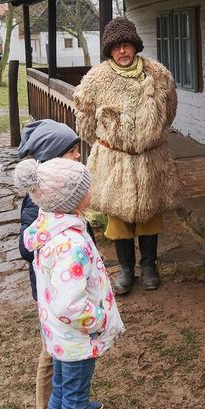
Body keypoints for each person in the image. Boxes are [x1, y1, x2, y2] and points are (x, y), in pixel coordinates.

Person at [14, 156, 124, 409]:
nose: (92, 191)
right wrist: (100, 320)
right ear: (74, 198)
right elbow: (72, 304)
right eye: (87, 186)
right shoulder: (70, 244)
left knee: (61, 401)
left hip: (59, 338)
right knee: (72, 407)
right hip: (77, 341)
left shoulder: (50, 229)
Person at [74, 18, 178, 294]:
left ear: (135, 47)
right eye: (117, 47)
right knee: (118, 217)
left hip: (149, 159)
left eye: (127, 45)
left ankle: (149, 267)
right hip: (114, 161)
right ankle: (125, 270)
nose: (123, 51)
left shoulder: (158, 75)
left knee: (149, 214)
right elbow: (84, 124)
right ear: (110, 50)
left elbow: (169, 113)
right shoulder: (96, 79)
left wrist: (148, 137)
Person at [17, 119, 102, 409]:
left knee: (68, 356)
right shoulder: (36, 202)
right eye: (71, 152)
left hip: (67, 288)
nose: (78, 156)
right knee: (52, 355)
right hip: (54, 295)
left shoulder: (63, 195)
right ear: (50, 161)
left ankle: (73, 402)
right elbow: (26, 246)